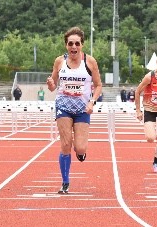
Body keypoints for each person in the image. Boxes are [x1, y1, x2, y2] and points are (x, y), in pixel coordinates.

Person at [46, 27, 101, 194]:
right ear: (66, 45)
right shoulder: (59, 62)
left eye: (77, 43)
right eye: (70, 43)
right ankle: (65, 182)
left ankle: (80, 152)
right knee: (65, 144)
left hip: (83, 108)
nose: (74, 47)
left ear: (82, 45)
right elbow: (53, 85)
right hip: (63, 106)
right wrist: (50, 85)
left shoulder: (90, 62)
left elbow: (98, 85)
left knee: (80, 148)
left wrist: (92, 102)